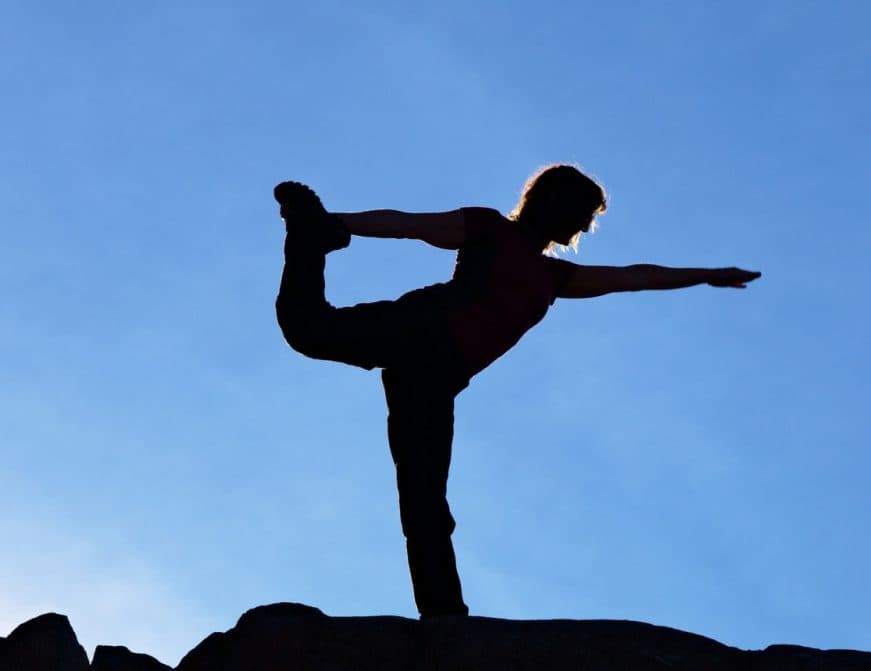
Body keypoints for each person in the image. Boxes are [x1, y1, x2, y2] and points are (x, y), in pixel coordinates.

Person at [273, 164, 761, 619]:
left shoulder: (554, 277)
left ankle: (445, 618)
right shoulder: (488, 229)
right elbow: (407, 223)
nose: (585, 227)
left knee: (425, 496)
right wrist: (333, 220)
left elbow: (634, 276)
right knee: (308, 329)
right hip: (419, 328)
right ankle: (309, 233)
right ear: (549, 198)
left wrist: (705, 276)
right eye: (582, 212)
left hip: (435, 379)